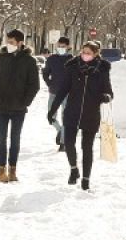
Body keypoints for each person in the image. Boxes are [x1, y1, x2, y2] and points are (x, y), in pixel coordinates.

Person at [48, 40, 114, 191]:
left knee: (87, 148)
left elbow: (109, 91)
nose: (85, 55)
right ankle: (73, 169)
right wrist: (53, 109)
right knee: (69, 143)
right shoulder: (72, 67)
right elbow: (63, 90)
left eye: (88, 53)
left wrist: (106, 96)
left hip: (91, 114)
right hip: (72, 112)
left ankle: (86, 179)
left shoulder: (102, 69)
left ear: (96, 54)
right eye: (83, 52)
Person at [0, 28, 41, 183]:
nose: (8, 45)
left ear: (20, 43)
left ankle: (13, 170)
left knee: (15, 139)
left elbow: (34, 85)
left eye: (12, 42)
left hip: (19, 109)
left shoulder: (29, 61)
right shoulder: (0, 59)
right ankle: (1, 170)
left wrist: (25, 102)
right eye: (7, 42)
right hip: (1, 106)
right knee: (1, 139)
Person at [42, 36, 73, 150]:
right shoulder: (52, 59)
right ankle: (60, 130)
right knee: (51, 117)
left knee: (65, 117)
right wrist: (50, 83)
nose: (60, 48)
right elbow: (45, 73)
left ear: (68, 47)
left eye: (63, 46)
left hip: (67, 94)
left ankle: (63, 143)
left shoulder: (72, 60)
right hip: (54, 92)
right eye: (59, 46)